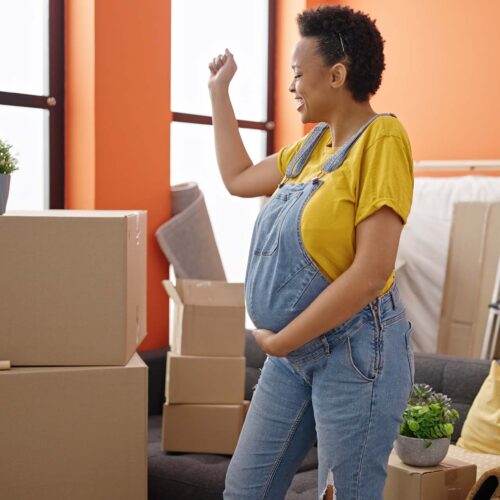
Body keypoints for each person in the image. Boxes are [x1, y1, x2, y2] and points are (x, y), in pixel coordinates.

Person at [208, 4, 414, 500]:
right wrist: (219, 94)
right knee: (245, 490)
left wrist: (278, 342)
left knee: (349, 493)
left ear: (338, 74)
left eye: (299, 74)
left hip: (354, 350)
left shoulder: (382, 139)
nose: (293, 86)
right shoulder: (310, 148)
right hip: (294, 354)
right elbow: (237, 179)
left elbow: (371, 273)